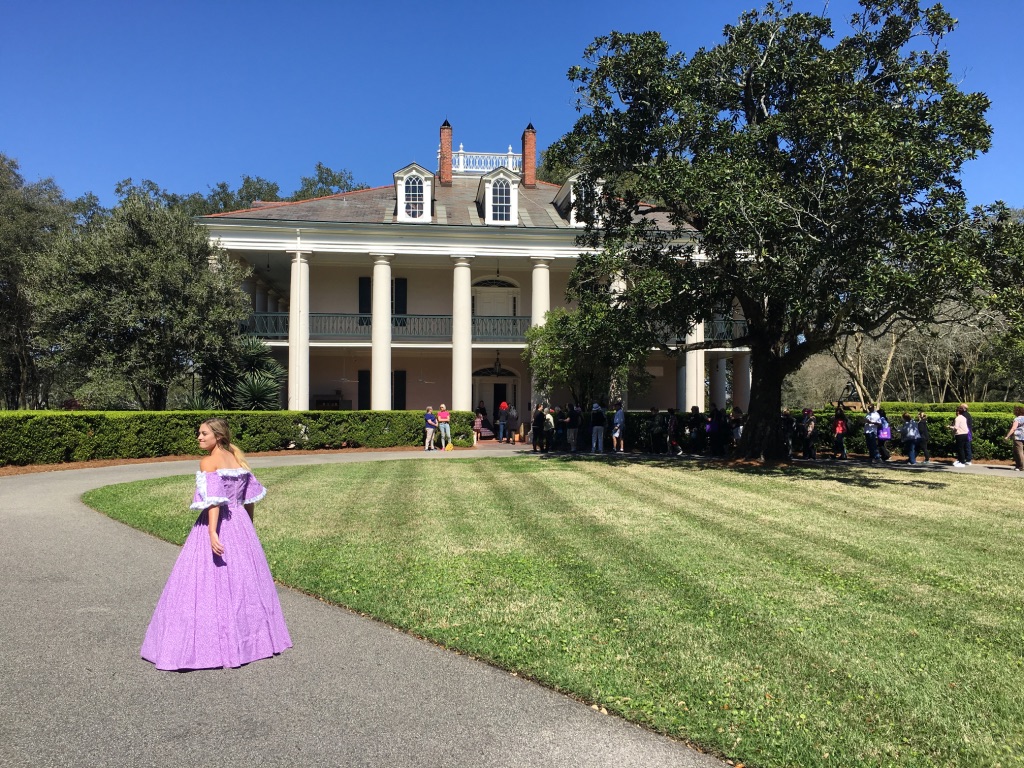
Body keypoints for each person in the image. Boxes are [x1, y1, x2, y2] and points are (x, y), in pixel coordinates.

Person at [141, 418, 291, 671]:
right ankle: (253, 642)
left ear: (218, 436)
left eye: (203, 434)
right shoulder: (237, 459)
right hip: (240, 523)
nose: (199, 438)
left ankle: (208, 645)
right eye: (199, 433)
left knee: (203, 581)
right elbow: (249, 498)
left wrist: (212, 531)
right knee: (243, 583)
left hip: (220, 523)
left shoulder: (209, 462)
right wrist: (248, 528)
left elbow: (214, 501)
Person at [1004, 406, 1024, 472]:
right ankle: (1018, 465)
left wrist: (1007, 436)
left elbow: (1013, 428)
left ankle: (1022, 466)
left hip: (1018, 437)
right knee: (1016, 451)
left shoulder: (1017, 419)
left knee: (1019, 452)